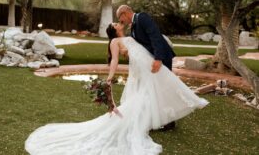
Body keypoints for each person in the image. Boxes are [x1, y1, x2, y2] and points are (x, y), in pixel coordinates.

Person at [24, 22, 209, 155]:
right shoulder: (115, 42)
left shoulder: (130, 37)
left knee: (149, 96)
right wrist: (110, 77)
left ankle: (157, 120)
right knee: (139, 101)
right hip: (142, 72)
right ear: (114, 30)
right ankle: (144, 123)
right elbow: (114, 59)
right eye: (115, 23)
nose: (118, 23)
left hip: (143, 72)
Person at [116, 5, 177, 131]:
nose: (121, 21)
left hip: (162, 57)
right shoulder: (133, 26)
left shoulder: (142, 18)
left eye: (120, 19)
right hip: (153, 59)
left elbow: (156, 37)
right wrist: (121, 32)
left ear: (124, 13)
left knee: (163, 88)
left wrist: (158, 59)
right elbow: (135, 45)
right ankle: (161, 119)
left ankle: (170, 121)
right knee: (155, 89)